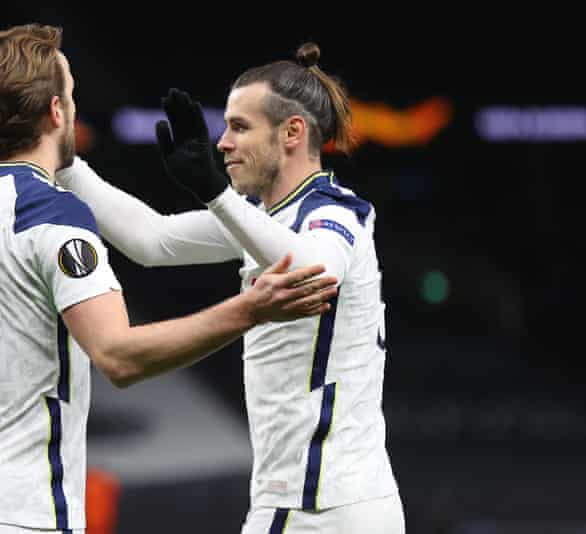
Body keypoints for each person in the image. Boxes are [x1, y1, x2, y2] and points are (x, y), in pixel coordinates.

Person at [0, 25, 339, 534]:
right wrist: (249, 310)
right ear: (57, 112)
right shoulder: (52, 214)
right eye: (72, 96)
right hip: (13, 506)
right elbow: (119, 358)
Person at [55, 43, 404, 533]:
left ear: (292, 132)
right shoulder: (265, 218)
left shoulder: (332, 211)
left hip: (319, 508)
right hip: (318, 502)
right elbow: (153, 240)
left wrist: (216, 193)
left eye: (239, 126)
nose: (221, 143)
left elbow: (313, 272)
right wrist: (66, 163)